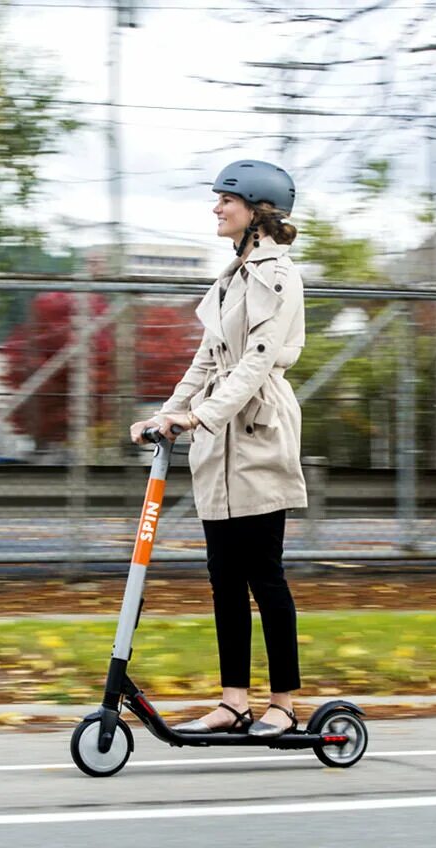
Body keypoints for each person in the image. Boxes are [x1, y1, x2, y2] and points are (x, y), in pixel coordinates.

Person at [129, 160, 308, 738]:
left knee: (265, 575)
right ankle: (234, 700)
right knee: (224, 576)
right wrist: (166, 414)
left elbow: (256, 362)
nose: (215, 208)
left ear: (256, 210)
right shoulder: (230, 277)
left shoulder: (276, 276)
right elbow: (206, 360)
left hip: (256, 429)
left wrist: (198, 416)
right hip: (218, 436)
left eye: (225, 199)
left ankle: (282, 702)